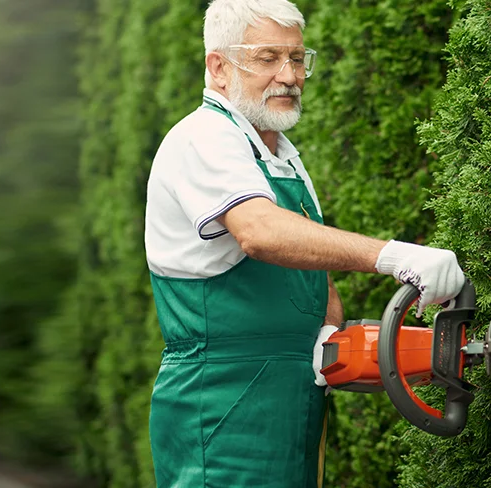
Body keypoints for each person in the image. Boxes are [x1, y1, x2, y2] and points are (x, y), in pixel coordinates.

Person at [141, 0, 468, 486]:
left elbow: (309, 266)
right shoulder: (202, 138)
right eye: (268, 58)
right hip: (221, 403)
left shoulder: (281, 156)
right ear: (219, 67)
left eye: (297, 58)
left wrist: (327, 330)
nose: (289, 75)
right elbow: (260, 232)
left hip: (294, 401)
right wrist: (394, 256)